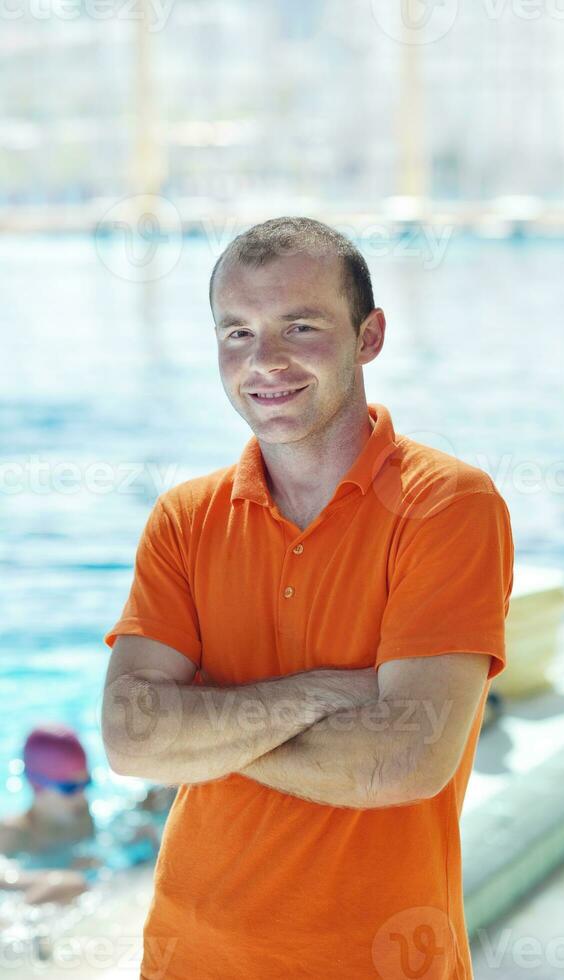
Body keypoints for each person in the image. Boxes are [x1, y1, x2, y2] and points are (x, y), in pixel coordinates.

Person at [101, 216, 515, 979]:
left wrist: (208, 733)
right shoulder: (185, 519)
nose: (267, 361)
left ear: (369, 336)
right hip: (186, 955)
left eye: (301, 325)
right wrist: (326, 693)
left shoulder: (448, 506)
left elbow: (405, 758)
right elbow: (132, 740)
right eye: (237, 333)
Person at [0, 724, 173, 906]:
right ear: (38, 785)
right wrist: (54, 879)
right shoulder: (12, 834)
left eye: (86, 783)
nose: (82, 796)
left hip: (97, 878)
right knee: (70, 884)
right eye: (70, 788)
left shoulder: (83, 815)